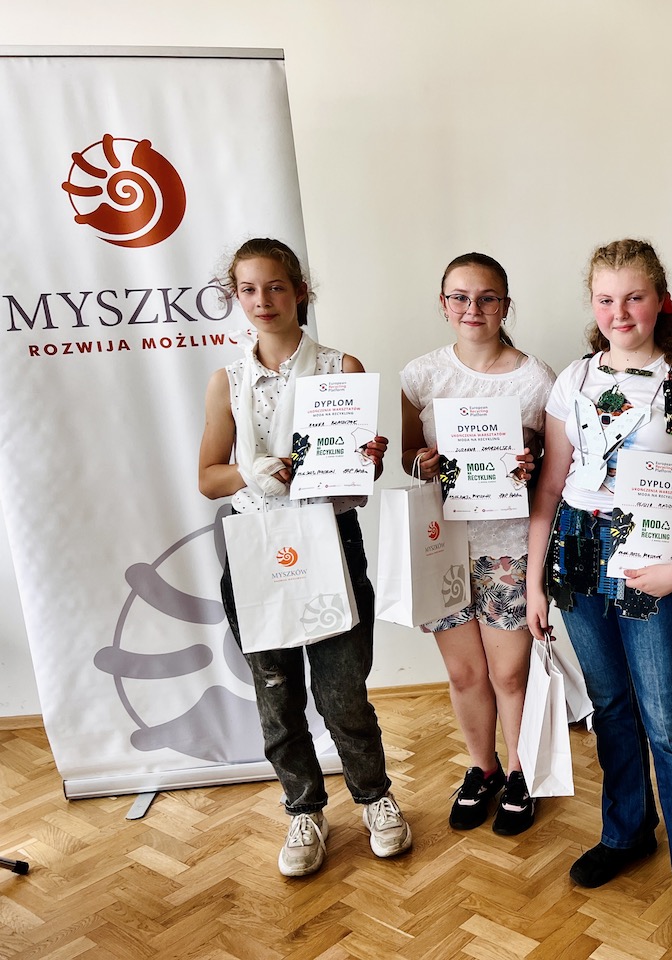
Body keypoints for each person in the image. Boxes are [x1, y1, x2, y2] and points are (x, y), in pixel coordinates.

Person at [525, 239, 672, 949]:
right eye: (606, 299)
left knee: (669, 719)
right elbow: (551, 488)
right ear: (593, 305)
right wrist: (535, 580)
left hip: (655, 558)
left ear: (660, 301)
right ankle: (626, 831)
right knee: (610, 704)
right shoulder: (574, 380)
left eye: (634, 297)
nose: (620, 313)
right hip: (580, 550)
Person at [198, 237, 411, 877]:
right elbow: (207, 478)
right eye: (248, 289)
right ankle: (304, 809)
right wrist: (250, 472)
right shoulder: (227, 380)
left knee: (343, 691)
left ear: (300, 292)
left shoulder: (341, 367)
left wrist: (365, 461)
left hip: (330, 540)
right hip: (257, 547)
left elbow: (355, 481)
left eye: (275, 287)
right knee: (276, 692)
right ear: (236, 297)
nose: (262, 300)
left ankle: (374, 797)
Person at [400, 253, 555, 835]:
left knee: (509, 674)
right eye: (460, 297)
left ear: (505, 306)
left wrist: (530, 466)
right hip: (443, 546)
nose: (473, 308)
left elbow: (554, 468)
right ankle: (482, 767)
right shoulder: (420, 376)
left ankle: (520, 773)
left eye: (487, 297)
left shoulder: (536, 379)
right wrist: (421, 461)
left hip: (507, 545)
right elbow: (409, 459)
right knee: (465, 673)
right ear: (443, 304)